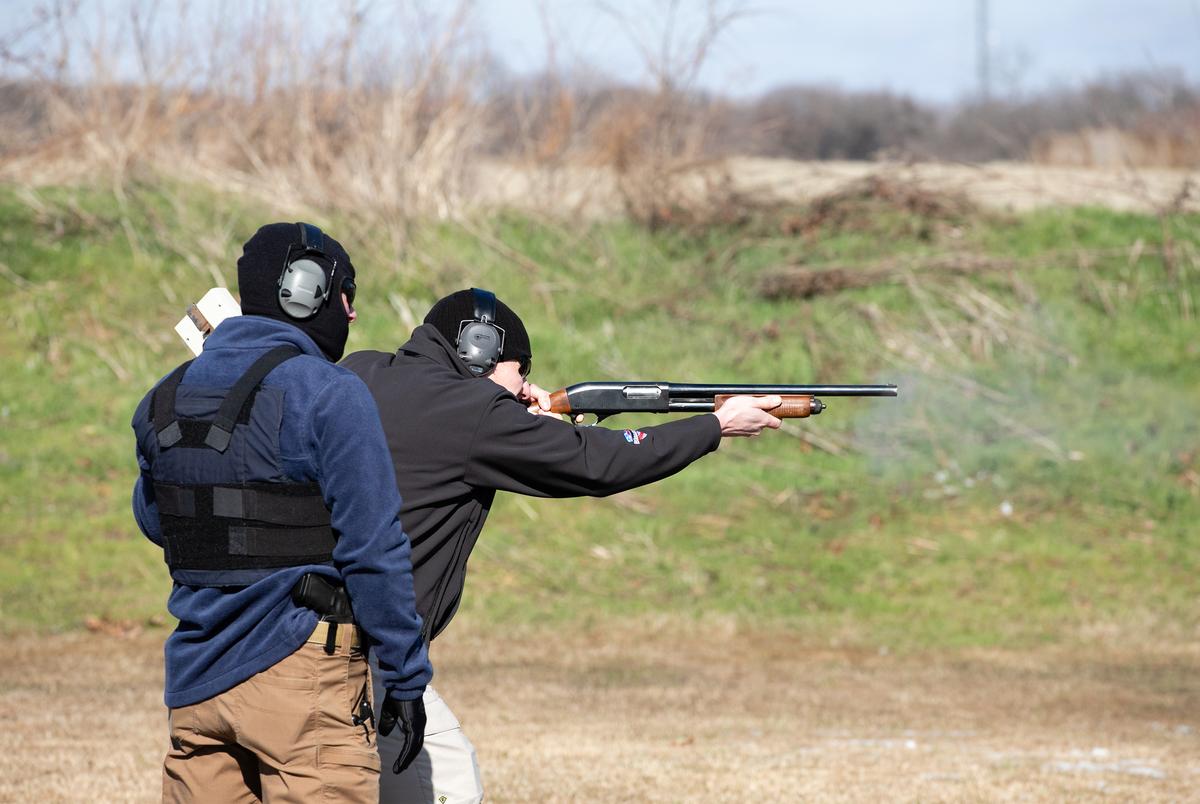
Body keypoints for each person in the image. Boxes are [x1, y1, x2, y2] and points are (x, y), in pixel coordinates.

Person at [341, 287, 784, 803]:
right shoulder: (475, 412)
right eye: (520, 368)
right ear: (478, 349)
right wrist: (716, 425)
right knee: (449, 786)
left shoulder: (361, 370)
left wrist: (513, 417)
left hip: (300, 631)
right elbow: (600, 462)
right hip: (374, 653)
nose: (527, 383)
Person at [131, 222, 433, 802]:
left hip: (196, 680)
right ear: (306, 288)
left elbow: (156, 521)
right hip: (302, 683)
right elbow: (374, 547)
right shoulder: (329, 392)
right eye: (347, 296)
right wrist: (404, 676)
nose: (350, 316)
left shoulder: (161, 398)